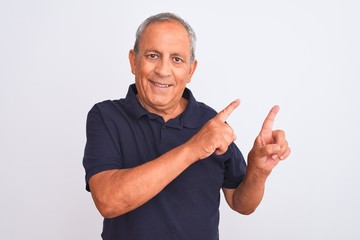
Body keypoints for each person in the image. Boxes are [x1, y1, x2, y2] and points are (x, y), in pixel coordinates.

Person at [83, 12, 290, 240]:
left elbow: (241, 203)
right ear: (133, 61)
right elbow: (108, 201)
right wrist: (193, 149)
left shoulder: (211, 123)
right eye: (153, 56)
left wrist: (258, 171)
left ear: (191, 70)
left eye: (177, 59)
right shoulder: (106, 116)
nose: (163, 70)